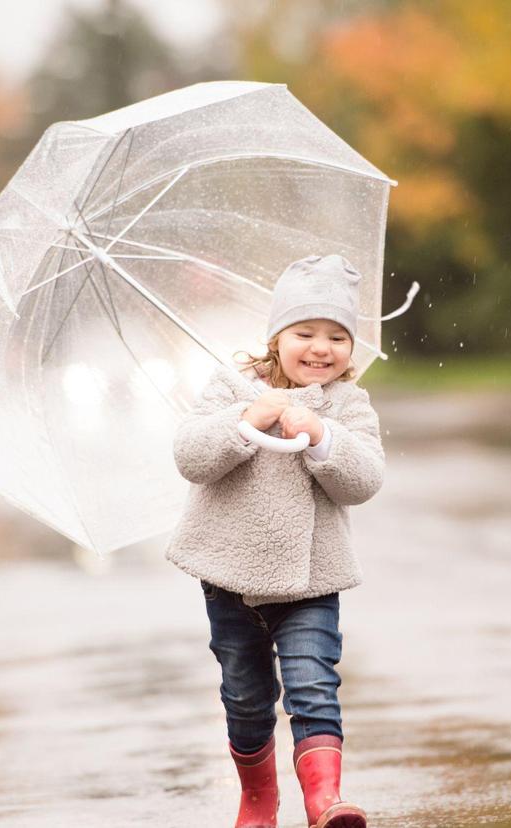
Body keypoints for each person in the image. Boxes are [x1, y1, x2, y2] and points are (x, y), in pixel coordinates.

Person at [166, 254, 384, 828]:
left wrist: (322, 438)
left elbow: (365, 480)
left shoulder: (348, 405)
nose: (321, 348)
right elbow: (190, 456)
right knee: (244, 694)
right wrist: (245, 418)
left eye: (338, 336)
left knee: (313, 682)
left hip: (312, 580)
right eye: (305, 333)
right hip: (231, 576)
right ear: (276, 337)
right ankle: (259, 799)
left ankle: (324, 800)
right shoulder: (232, 387)